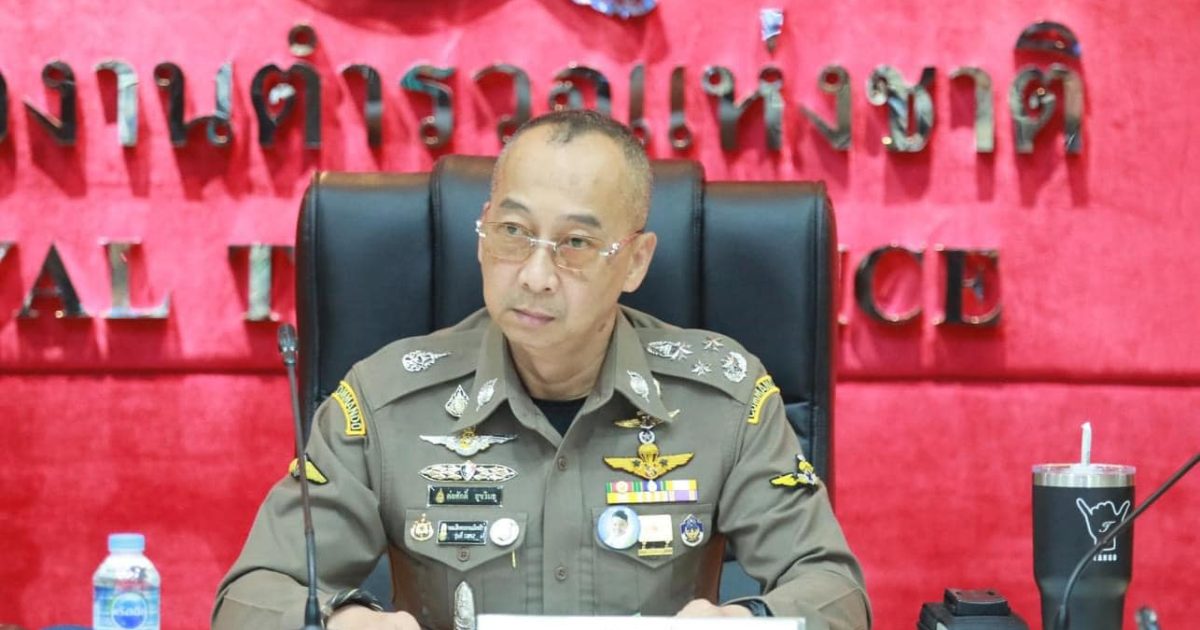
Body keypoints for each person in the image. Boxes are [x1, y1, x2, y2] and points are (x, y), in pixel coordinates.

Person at [212, 110, 871, 630]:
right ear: (481, 234)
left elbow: (834, 591)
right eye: (512, 232)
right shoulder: (384, 401)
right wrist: (341, 621)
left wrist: (744, 622)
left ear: (636, 261)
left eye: (576, 244)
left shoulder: (723, 398)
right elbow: (252, 597)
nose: (534, 275)